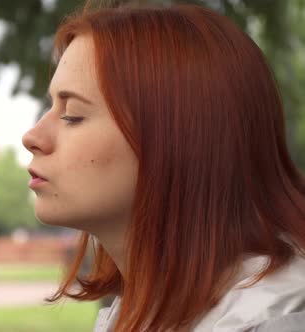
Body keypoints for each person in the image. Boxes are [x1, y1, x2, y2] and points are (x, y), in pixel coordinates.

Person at [21, 3, 305, 332]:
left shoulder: (275, 316)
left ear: (178, 137)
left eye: (72, 114)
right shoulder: (139, 311)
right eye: (50, 106)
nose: (32, 137)